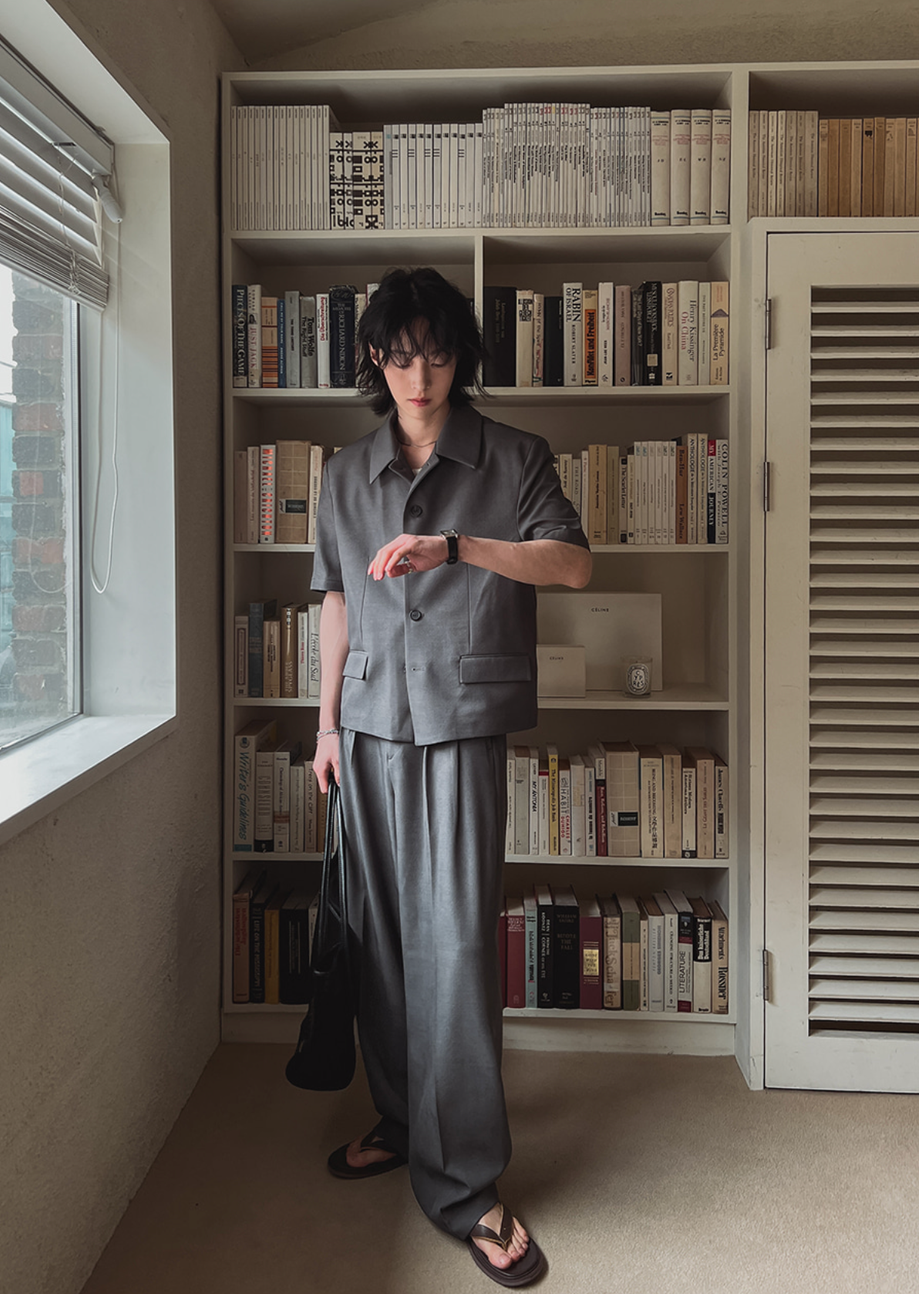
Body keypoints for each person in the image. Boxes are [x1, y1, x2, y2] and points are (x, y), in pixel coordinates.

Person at [310, 267, 592, 1288]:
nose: (418, 376)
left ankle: (467, 1183)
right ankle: (402, 1118)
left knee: (459, 952)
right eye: (399, 356)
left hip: (463, 727)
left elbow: (573, 564)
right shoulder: (344, 473)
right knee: (383, 945)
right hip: (366, 730)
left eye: (434, 354)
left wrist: (461, 548)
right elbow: (335, 600)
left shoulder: (515, 456)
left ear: (460, 356)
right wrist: (324, 723)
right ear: (374, 361)